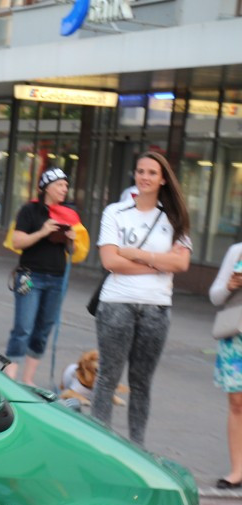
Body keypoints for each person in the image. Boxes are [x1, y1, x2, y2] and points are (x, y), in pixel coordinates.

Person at [91, 151, 191, 447]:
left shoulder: (176, 218)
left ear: (163, 179)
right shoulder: (115, 212)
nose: (144, 177)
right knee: (107, 377)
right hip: (116, 303)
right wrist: (159, 263)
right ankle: (99, 446)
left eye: (151, 172)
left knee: (141, 383)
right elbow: (110, 261)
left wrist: (137, 254)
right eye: (140, 171)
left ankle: (137, 448)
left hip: (157, 308)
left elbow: (182, 265)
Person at [2, 168, 78, 385]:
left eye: (66, 185)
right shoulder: (29, 210)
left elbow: (72, 251)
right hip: (30, 276)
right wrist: (43, 232)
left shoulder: (68, 214)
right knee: (23, 326)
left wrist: (70, 239)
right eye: (60, 185)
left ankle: (28, 380)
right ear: (46, 187)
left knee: (44, 328)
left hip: (57, 278)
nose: (64, 189)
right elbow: (17, 242)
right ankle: (10, 378)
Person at [211, 242, 242, 489]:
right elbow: (215, 296)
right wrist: (229, 286)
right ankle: (237, 470)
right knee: (237, 403)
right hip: (237, 334)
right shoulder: (237, 251)